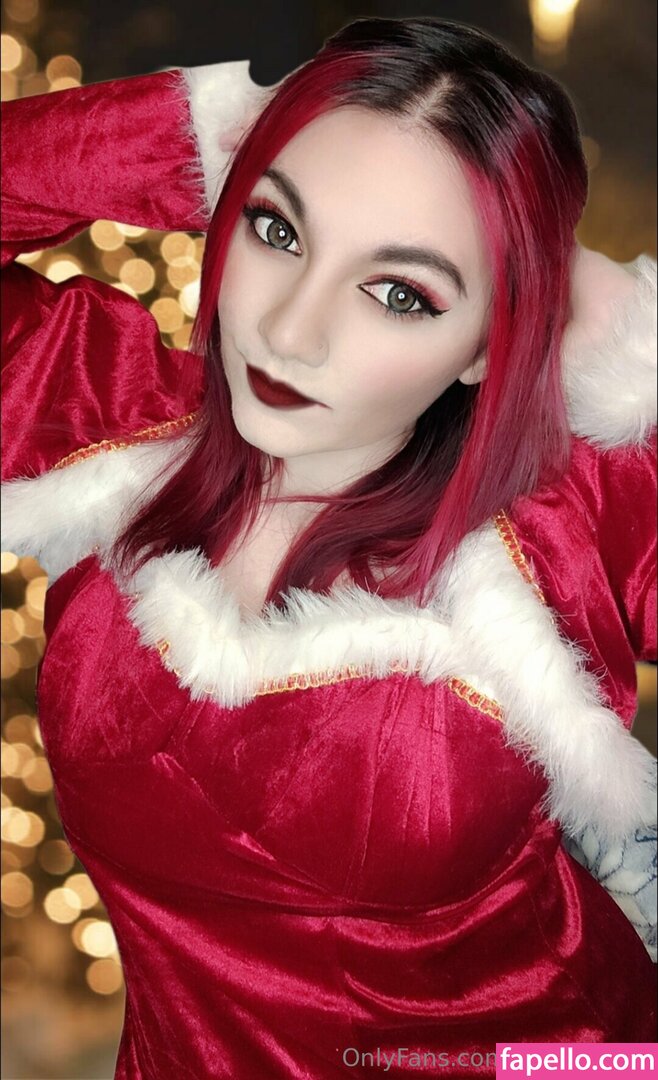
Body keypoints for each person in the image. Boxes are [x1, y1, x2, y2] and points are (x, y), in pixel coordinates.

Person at [1, 16, 656, 1078]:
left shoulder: (568, 522)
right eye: (276, 229)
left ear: (491, 343)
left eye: (400, 293)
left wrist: (615, 319)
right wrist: (190, 132)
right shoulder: (104, 424)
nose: (291, 331)